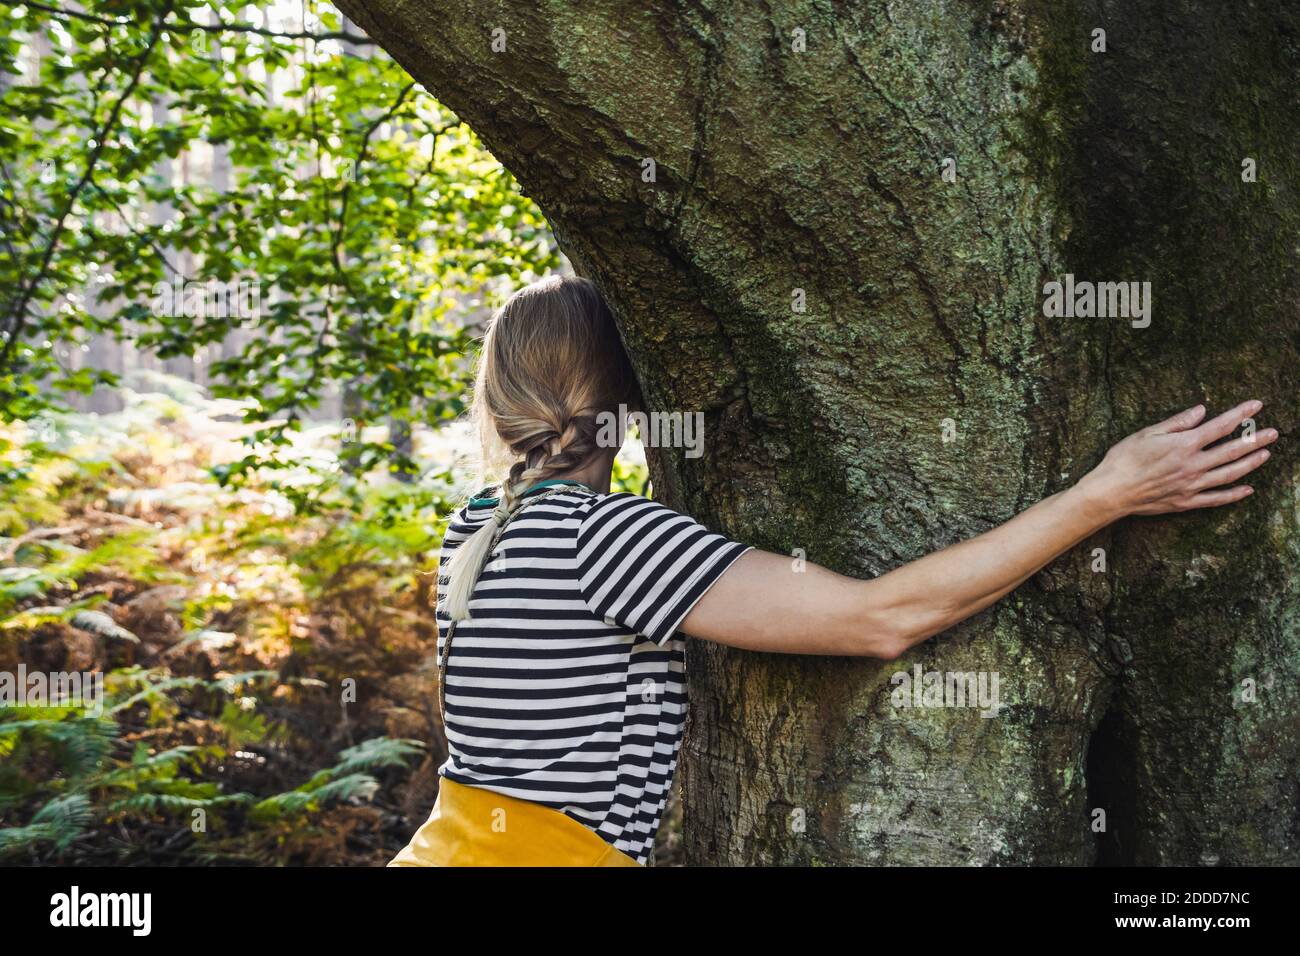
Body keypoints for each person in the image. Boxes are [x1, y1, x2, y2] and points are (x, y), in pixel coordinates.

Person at [389, 274, 1276, 867]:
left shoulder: (472, 531)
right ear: (630, 406)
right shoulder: (606, 539)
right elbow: (878, 619)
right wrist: (1104, 494)